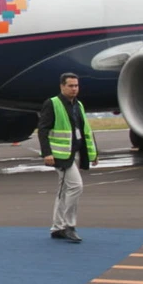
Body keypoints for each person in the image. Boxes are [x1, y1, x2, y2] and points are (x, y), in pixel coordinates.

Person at [38, 72, 98, 243]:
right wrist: (47, 153)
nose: (74, 89)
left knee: (64, 191)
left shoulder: (78, 105)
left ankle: (57, 228)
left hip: (74, 152)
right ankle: (68, 226)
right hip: (61, 155)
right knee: (76, 186)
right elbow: (43, 130)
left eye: (76, 86)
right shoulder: (53, 104)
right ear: (62, 86)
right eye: (70, 86)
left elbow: (85, 130)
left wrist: (93, 154)